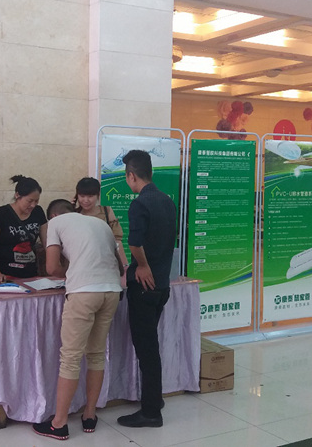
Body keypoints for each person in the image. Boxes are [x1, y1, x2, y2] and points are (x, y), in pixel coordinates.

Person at [32, 199, 124, 441]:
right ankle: (90, 415)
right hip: (111, 291)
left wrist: (71, 272)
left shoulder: (55, 223)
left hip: (84, 292)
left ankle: (59, 424)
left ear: (53, 216)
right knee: (96, 354)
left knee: (70, 358)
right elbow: (120, 267)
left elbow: (51, 267)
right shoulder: (100, 224)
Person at [116, 150, 177, 429]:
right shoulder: (167, 200)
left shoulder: (139, 203)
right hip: (162, 285)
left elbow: (135, 242)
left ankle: (151, 411)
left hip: (143, 286)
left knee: (146, 350)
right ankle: (155, 399)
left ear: (131, 175)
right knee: (151, 346)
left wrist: (141, 265)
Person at [0, 175, 48, 283]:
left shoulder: (38, 212)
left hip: (30, 274)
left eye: (36, 201)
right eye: (29, 201)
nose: (33, 205)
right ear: (17, 195)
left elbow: (47, 242)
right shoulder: (0, 214)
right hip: (5, 275)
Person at [73, 177, 129, 269]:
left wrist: (124, 265)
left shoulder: (107, 211)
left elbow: (117, 240)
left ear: (98, 195)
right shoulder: (74, 215)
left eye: (90, 196)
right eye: (82, 196)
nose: (86, 200)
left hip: (105, 263)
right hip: (80, 264)